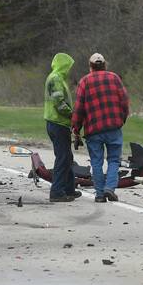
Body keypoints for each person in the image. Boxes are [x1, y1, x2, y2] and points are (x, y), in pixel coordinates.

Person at [72, 53, 129, 203]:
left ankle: (99, 195)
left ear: (90, 66)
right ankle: (109, 188)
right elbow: (124, 101)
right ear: (104, 65)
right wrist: (121, 119)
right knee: (113, 161)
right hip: (113, 128)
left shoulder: (84, 81)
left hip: (93, 129)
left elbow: (78, 109)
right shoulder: (114, 78)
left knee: (96, 162)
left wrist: (76, 129)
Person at [43, 53, 81, 203]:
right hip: (57, 122)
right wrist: (73, 115)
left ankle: (69, 189)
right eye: (69, 66)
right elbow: (59, 102)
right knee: (62, 158)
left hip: (58, 123)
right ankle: (57, 191)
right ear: (64, 65)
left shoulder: (56, 77)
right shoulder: (56, 78)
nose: (70, 69)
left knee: (67, 157)